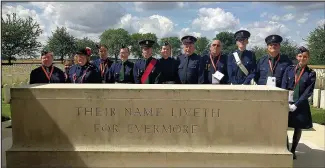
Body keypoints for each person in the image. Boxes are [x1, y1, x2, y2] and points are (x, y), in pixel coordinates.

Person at [281, 46, 316, 160]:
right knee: (283, 126)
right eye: (300, 56)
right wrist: (285, 101)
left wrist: (296, 104)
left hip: (300, 104)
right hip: (288, 102)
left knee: (298, 127)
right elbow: (284, 85)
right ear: (297, 57)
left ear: (308, 58)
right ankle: (286, 148)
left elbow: (308, 91)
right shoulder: (289, 69)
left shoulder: (311, 73)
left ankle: (293, 150)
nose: (302, 59)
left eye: (305, 57)